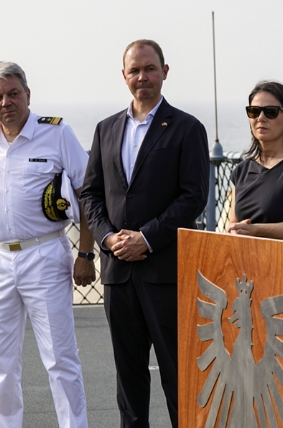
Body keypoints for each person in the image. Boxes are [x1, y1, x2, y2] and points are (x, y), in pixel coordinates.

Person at [81, 39, 209, 428]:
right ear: (124, 76)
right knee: (128, 376)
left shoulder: (187, 128)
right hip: (118, 272)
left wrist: (146, 238)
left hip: (165, 272)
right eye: (134, 70)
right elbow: (91, 193)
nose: (142, 77)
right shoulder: (105, 129)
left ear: (164, 72)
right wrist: (108, 239)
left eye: (149, 69)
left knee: (177, 374)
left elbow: (193, 197)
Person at [0, 61, 94, 428]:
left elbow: (87, 193)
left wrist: (85, 253)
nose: (6, 102)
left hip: (45, 254)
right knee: (0, 362)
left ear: (28, 95)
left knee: (60, 359)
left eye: (13, 94)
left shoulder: (57, 133)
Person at [227, 81, 283, 242]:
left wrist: (257, 230)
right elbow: (232, 223)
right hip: (243, 257)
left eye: (270, 112)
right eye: (254, 111)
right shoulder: (241, 171)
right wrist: (234, 230)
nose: (261, 118)